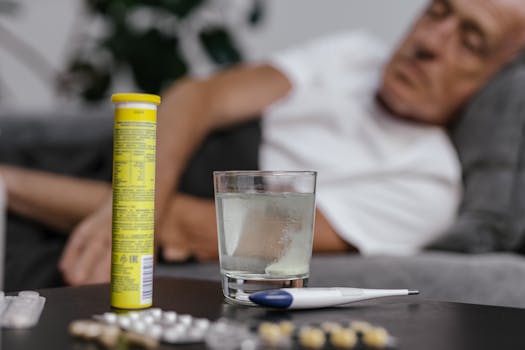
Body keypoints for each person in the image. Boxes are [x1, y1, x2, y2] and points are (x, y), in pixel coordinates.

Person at [3, 0, 525, 287]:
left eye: (469, 41)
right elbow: (200, 96)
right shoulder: (355, 54)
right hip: (112, 182)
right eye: (438, 12)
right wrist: (131, 201)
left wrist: (12, 187)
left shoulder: (425, 184)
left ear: (496, 78)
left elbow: (223, 232)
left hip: (102, 228)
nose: (430, 42)